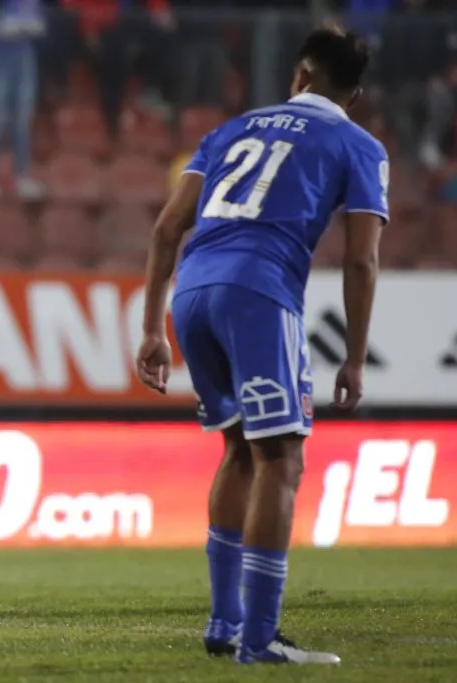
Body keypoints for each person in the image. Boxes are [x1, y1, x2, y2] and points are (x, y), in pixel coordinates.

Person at [135, 27, 387, 665]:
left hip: (193, 293)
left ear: (299, 77)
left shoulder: (230, 131)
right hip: (260, 293)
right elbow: (361, 262)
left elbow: (168, 228)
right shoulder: (358, 144)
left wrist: (150, 330)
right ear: (352, 94)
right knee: (282, 460)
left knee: (240, 452)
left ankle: (226, 625)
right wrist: (355, 356)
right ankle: (259, 639)